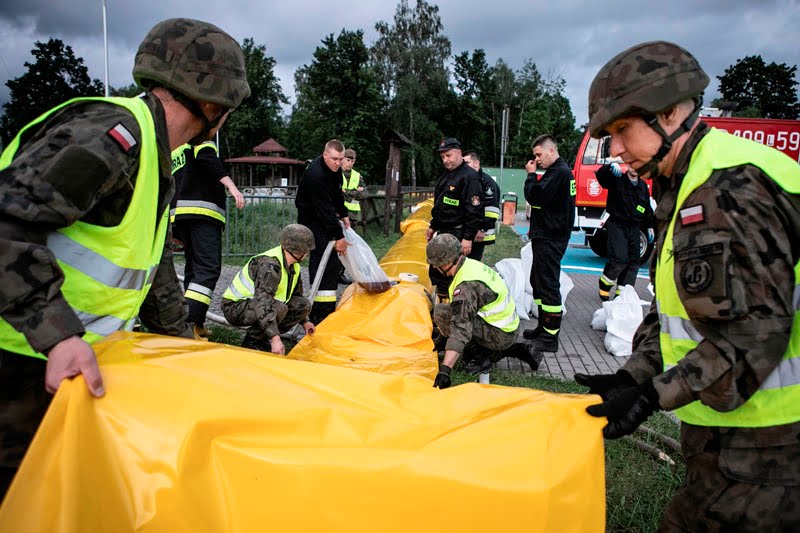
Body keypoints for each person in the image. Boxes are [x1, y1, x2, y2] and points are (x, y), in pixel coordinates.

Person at [0, 17, 250, 498]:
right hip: (22, 362)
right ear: (212, 101)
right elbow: (7, 225)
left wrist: (184, 351)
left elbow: (151, 275)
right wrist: (59, 337)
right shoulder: (114, 138)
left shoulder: (155, 156)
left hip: (62, 367)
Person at [574, 40, 800, 531]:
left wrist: (654, 395)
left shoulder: (729, 188)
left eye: (621, 131)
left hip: (771, 450)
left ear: (672, 113)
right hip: (731, 437)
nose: (613, 150)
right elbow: (683, 306)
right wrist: (636, 372)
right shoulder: (687, 180)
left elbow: (753, 338)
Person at [427, 234, 542, 389]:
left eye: (435, 263)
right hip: (506, 328)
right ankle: (517, 350)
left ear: (446, 261)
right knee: (446, 312)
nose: (434, 267)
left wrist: (445, 370)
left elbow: (461, 329)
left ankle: (480, 357)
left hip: (501, 334)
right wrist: (443, 336)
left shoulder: (466, 287)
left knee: (443, 314)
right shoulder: (469, 265)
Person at [170, 139, 245, 339]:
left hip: (181, 214)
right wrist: (232, 187)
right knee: (207, 269)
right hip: (203, 212)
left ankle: (197, 322)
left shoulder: (176, 149)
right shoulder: (200, 137)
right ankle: (190, 323)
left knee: (193, 270)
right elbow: (207, 158)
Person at [222, 224, 316, 354]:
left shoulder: (294, 266)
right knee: (279, 308)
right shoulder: (270, 266)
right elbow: (263, 303)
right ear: (301, 251)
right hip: (235, 307)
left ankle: (265, 339)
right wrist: (275, 339)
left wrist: (305, 321)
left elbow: (297, 296)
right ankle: (253, 343)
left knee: (303, 305)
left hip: (259, 305)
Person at [521, 135, 576, 353]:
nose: (537, 159)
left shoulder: (559, 173)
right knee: (539, 280)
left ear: (551, 151)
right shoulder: (557, 172)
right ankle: (543, 327)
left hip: (551, 237)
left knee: (548, 284)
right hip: (547, 235)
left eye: (539, 155)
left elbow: (536, 197)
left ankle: (550, 337)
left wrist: (531, 176)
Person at [295, 139, 350, 324]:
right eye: (334, 158)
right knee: (322, 262)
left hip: (324, 217)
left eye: (341, 159)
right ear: (325, 154)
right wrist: (339, 237)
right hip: (311, 220)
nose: (338, 163)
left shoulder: (335, 171)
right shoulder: (316, 175)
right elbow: (324, 209)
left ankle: (326, 311)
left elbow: (336, 195)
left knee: (332, 265)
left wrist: (344, 213)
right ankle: (318, 314)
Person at [426, 138, 484, 301]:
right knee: (439, 272)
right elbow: (441, 205)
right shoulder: (447, 176)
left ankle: (453, 312)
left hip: (458, 234)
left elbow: (475, 211)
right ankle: (441, 308)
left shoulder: (469, 177)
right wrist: (433, 226)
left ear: (459, 153)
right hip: (444, 231)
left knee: (453, 273)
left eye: (449, 155)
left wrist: (467, 238)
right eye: (443, 157)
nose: (446, 160)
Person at [595, 162, 654, 301]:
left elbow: (646, 208)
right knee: (619, 259)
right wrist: (609, 167)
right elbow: (601, 177)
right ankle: (605, 284)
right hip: (617, 224)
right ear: (627, 165)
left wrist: (650, 226)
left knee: (634, 261)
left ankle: (622, 295)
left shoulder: (642, 186)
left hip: (634, 227)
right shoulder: (617, 179)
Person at [463, 150, 501, 261]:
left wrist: (482, 229)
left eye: (467, 163)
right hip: (468, 230)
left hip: (479, 233)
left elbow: (492, 210)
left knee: (473, 263)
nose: (464, 167)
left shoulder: (487, 183)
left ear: (476, 163)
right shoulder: (467, 179)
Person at [341, 148, 367, 225]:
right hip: (338, 213)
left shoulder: (357, 175)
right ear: (342, 159)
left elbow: (365, 194)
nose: (350, 163)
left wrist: (347, 192)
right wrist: (356, 191)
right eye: (348, 160)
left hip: (352, 216)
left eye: (352, 161)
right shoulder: (335, 173)